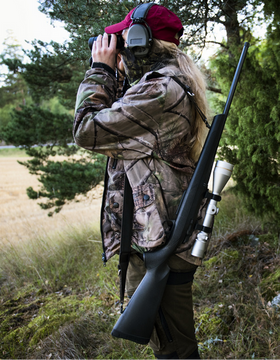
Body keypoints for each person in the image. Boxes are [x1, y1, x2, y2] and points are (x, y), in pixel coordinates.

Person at [73, 4, 208, 360]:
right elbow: (118, 129)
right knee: (168, 342)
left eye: (122, 40)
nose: (117, 47)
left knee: (175, 348)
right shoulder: (165, 85)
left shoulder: (160, 90)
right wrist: (115, 76)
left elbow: (88, 130)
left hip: (161, 238)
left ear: (140, 41)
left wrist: (100, 70)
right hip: (158, 233)